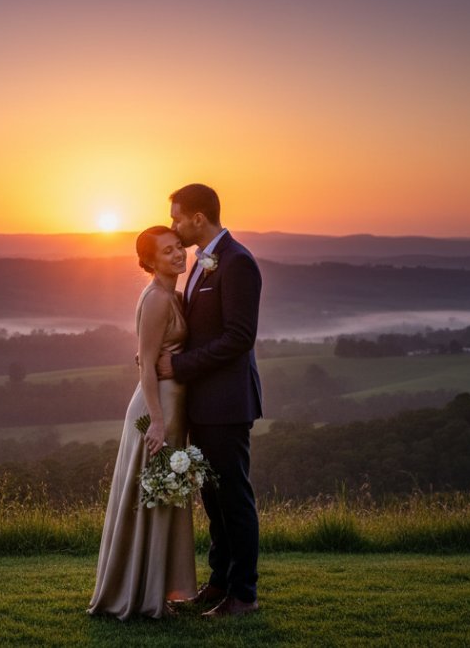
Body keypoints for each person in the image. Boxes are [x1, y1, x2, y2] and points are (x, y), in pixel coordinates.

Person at [157, 183, 263, 617]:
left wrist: (179, 366)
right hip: (203, 404)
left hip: (227, 404)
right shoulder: (203, 261)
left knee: (234, 499)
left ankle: (244, 594)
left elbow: (239, 337)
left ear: (198, 218)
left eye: (177, 218)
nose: (174, 226)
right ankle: (219, 582)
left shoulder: (238, 262)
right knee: (213, 502)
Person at [87, 226, 197, 620]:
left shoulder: (175, 297)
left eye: (179, 246)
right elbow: (146, 366)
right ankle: (141, 595)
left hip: (172, 408)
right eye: (167, 251)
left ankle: (156, 590)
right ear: (149, 261)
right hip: (156, 410)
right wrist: (157, 422)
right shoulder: (156, 300)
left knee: (164, 499)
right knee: (151, 499)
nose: (178, 254)